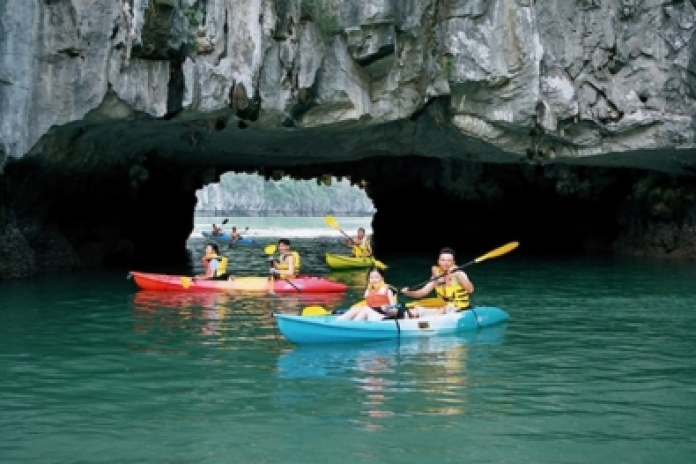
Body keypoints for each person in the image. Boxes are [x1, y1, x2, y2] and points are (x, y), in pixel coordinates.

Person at [401, 247, 474, 316]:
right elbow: (422, 293)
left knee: (441, 310)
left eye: (449, 260)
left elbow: (470, 290)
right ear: (438, 261)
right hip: (442, 303)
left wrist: (458, 274)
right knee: (414, 307)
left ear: (453, 262)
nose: (446, 263)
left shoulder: (460, 273)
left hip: (459, 306)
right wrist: (408, 293)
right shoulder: (437, 275)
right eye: (443, 260)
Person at [337, 267, 402, 321]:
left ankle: (354, 326)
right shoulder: (368, 291)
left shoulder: (388, 290)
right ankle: (338, 322)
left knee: (366, 309)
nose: (374, 280)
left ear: (382, 278)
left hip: (384, 317)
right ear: (369, 279)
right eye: (371, 277)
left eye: (376, 277)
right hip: (371, 316)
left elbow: (395, 311)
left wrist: (387, 309)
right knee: (357, 309)